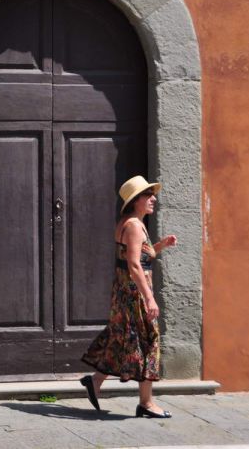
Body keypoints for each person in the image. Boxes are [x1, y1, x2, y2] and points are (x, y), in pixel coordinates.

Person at [78, 175, 178, 418]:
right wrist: (150, 299)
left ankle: (96, 381)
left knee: (123, 339)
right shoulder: (134, 226)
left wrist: (161, 246)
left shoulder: (134, 222)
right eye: (148, 195)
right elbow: (134, 265)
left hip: (125, 293)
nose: (153, 199)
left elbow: (140, 255)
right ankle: (146, 403)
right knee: (149, 342)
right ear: (136, 200)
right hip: (135, 295)